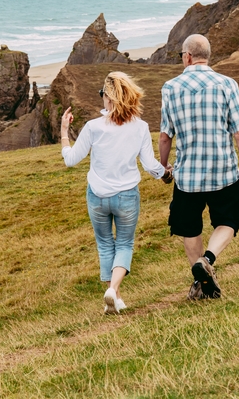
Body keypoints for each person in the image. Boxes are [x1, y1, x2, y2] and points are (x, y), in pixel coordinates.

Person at [61, 72, 172, 315]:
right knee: (124, 244)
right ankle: (114, 292)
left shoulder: (93, 127)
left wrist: (63, 131)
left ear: (108, 98)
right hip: (127, 197)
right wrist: (165, 173)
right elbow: (149, 164)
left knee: (105, 246)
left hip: (97, 197)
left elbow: (70, 160)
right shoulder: (141, 127)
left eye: (103, 94)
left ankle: (113, 298)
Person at [158, 34, 239, 300]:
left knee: (189, 226)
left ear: (188, 56)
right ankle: (208, 261)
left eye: (181, 55)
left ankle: (201, 280)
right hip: (222, 172)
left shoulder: (170, 88)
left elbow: (166, 135)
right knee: (229, 220)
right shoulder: (227, 84)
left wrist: (164, 166)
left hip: (187, 176)